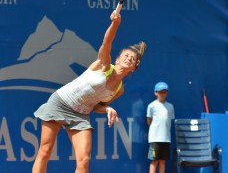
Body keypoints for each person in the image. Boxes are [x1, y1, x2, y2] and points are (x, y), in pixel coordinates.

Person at [32, 10, 146, 173]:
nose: (129, 58)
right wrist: (115, 23)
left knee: (84, 160)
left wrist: (106, 108)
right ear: (118, 59)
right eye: (126, 55)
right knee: (45, 150)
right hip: (60, 102)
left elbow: (96, 106)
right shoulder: (104, 65)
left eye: (133, 59)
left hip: (80, 114)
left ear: (134, 68)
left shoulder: (119, 90)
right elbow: (107, 42)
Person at [147, 82, 175, 173]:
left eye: (164, 92)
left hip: (166, 139)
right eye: (160, 92)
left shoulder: (170, 106)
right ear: (155, 93)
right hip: (154, 139)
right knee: (154, 161)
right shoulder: (151, 106)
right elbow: (149, 121)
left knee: (163, 161)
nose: (163, 94)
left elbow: (169, 121)